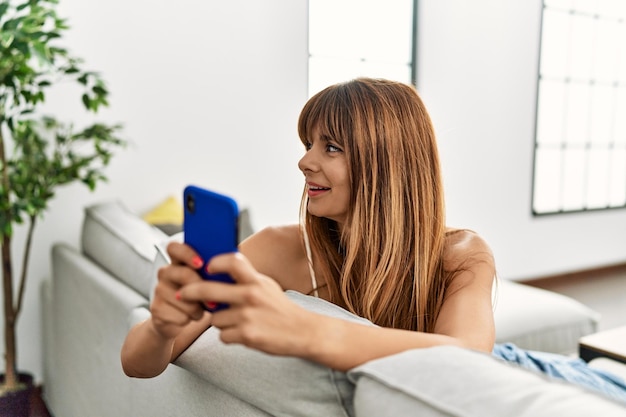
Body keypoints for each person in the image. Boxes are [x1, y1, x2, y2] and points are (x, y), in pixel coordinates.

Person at [121, 78, 626, 404]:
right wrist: (162, 327)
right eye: (308, 144)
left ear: (389, 162)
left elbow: (467, 355)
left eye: (331, 146)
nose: (304, 161)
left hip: (521, 370)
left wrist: (305, 329)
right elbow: (138, 365)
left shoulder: (460, 254)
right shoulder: (276, 249)